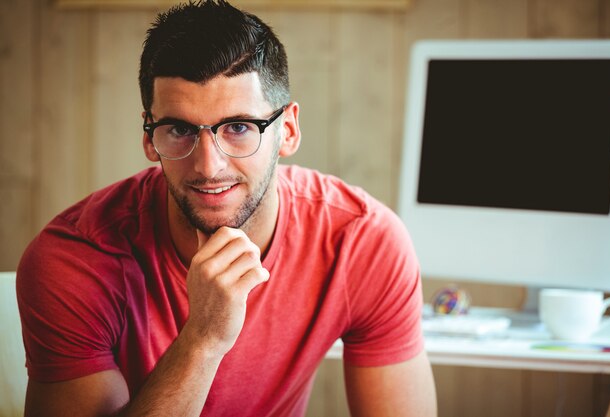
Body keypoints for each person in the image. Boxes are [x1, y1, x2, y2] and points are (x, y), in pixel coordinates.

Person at [16, 1, 437, 416]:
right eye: (178, 129)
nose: (208, 166)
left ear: (287, 131)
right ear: (149, 138)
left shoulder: (361, 241)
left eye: (239, 128)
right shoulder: (73, 260)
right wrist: (203, 339)